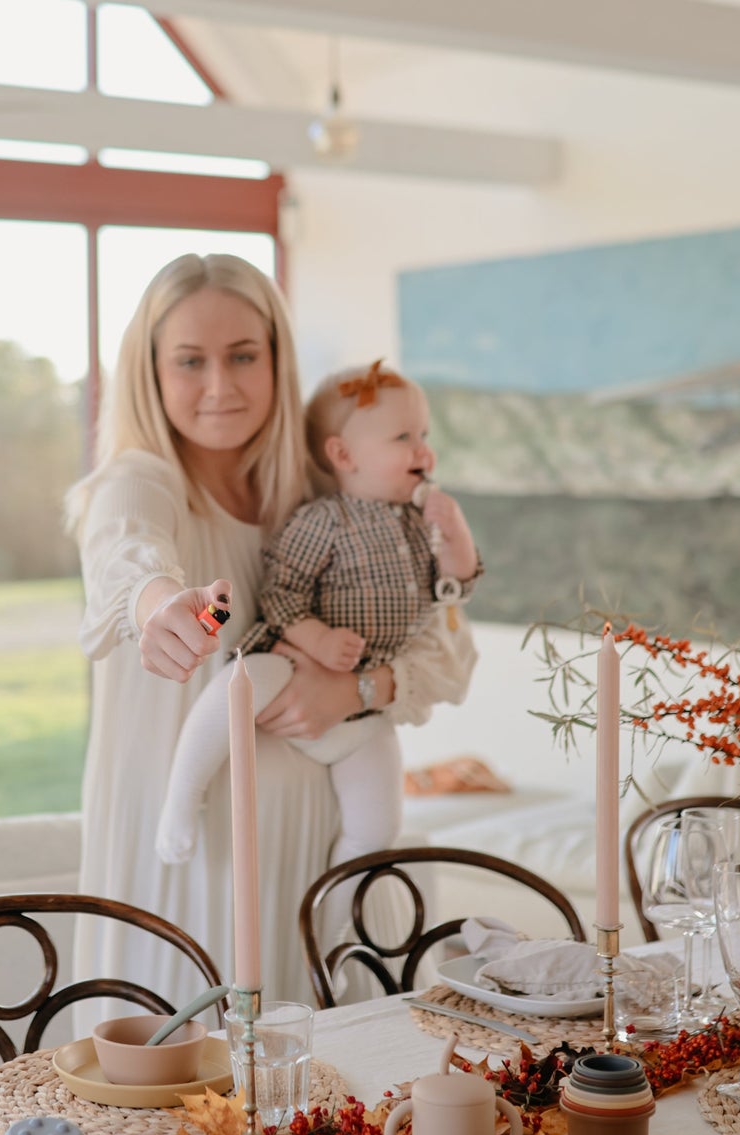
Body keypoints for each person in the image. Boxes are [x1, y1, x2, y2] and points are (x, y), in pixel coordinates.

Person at [66, 253, 481, 1009]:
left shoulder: (327, 492)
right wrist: (159, 605)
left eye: (243, 356)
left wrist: (356, 688)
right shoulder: (138, 481)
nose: (219, 385)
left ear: (276, 361)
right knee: (187, 1100)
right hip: (197, 864)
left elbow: (447, 641)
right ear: (150, 373)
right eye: (190, 360)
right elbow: (127, 556)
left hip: (325, 856)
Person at [155, 359, 480, 871]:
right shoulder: (322, 520)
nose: (423, 449)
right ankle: (182, 796)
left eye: (424, 434)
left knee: (377, 830)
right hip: (296, 661)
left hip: (361, 705)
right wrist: (319, 639)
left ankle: (334, 931)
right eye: (403, 437)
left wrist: (456, 532)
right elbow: (280, 595)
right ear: (343, 454)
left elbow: (453, 587)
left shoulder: (422, 522)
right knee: (245, 678)